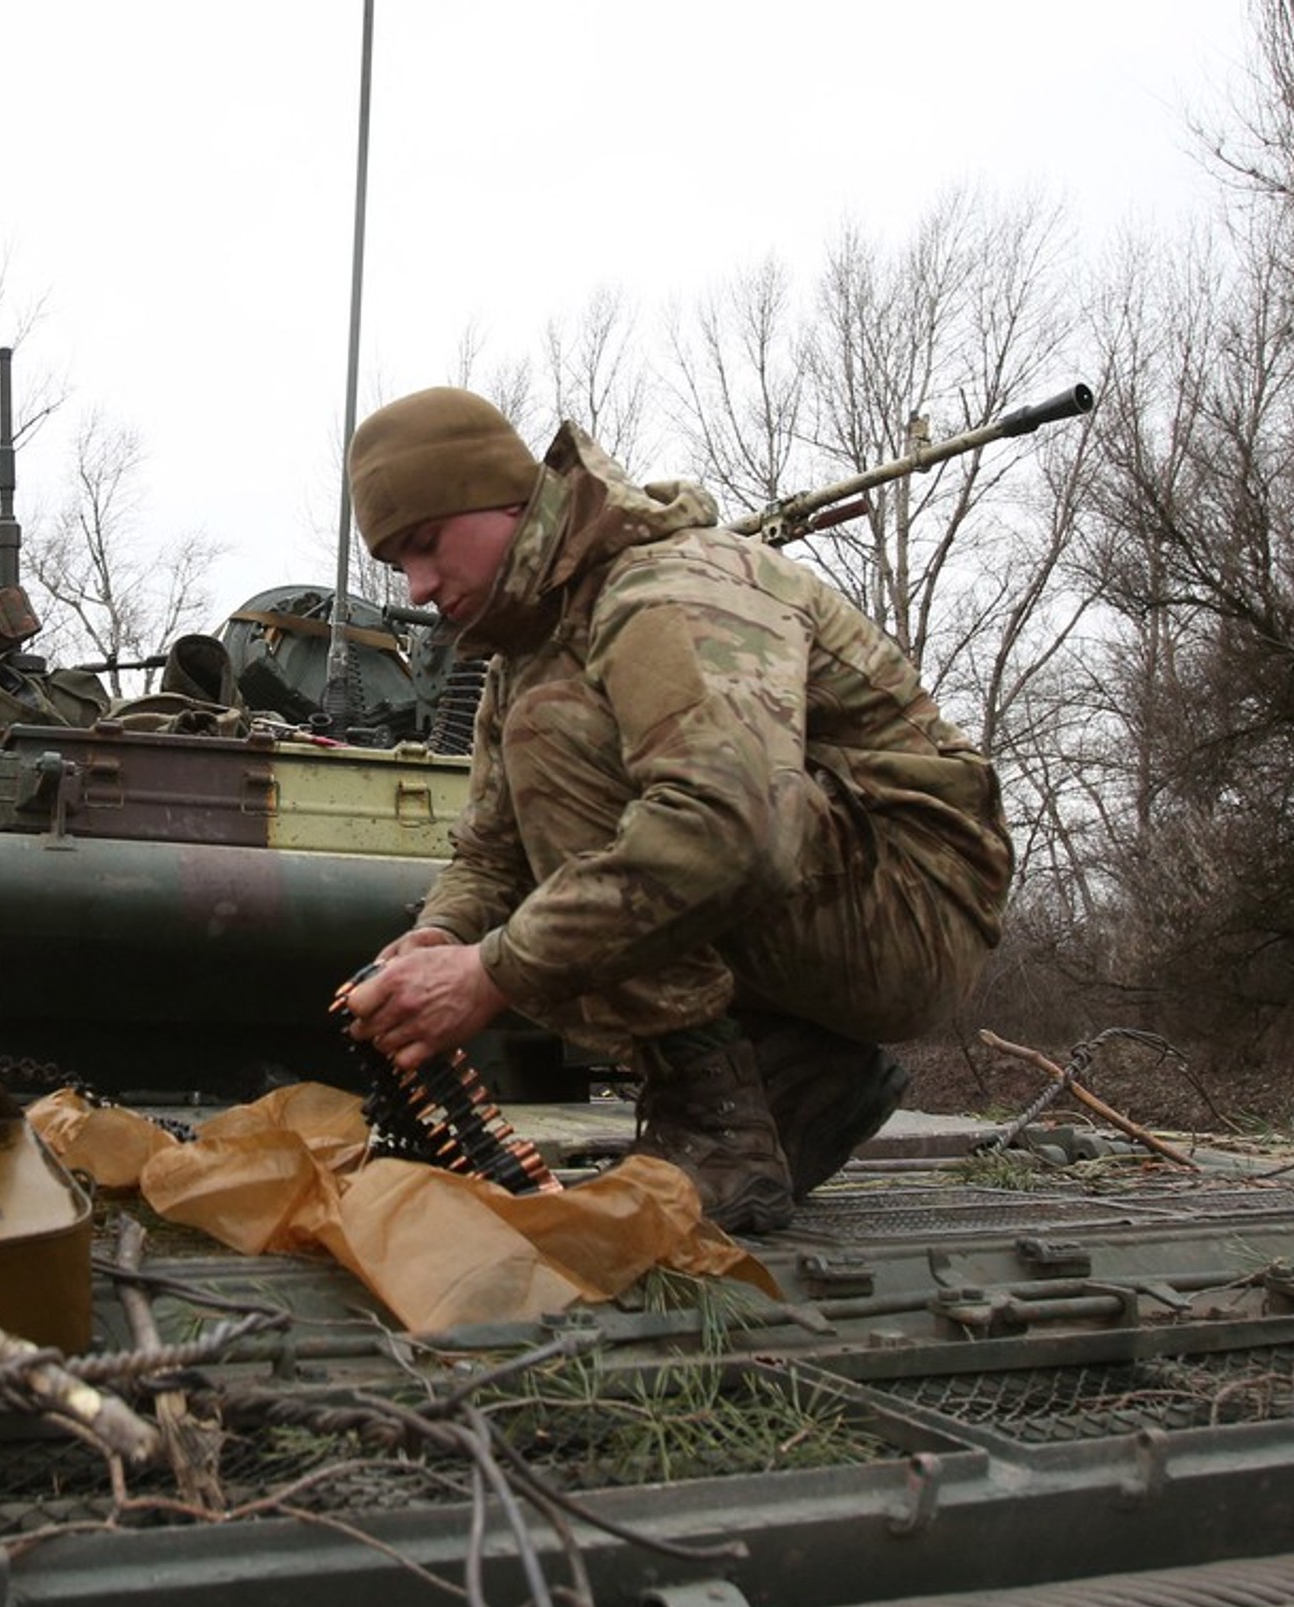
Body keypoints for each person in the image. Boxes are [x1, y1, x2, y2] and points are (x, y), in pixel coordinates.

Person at [339, 389, 1012, 1232]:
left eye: (427, 545)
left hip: (914, 902)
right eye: (400, 564)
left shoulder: (665, 584)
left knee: (560, 737)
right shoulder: (527, 650)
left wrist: (491, 973)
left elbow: (729, 825)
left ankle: (717, 1131)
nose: (421, 586)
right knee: (551, 769)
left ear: (504, 500)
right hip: (835, 897)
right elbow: (491, 854)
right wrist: (441, 936)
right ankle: (797, 1079)